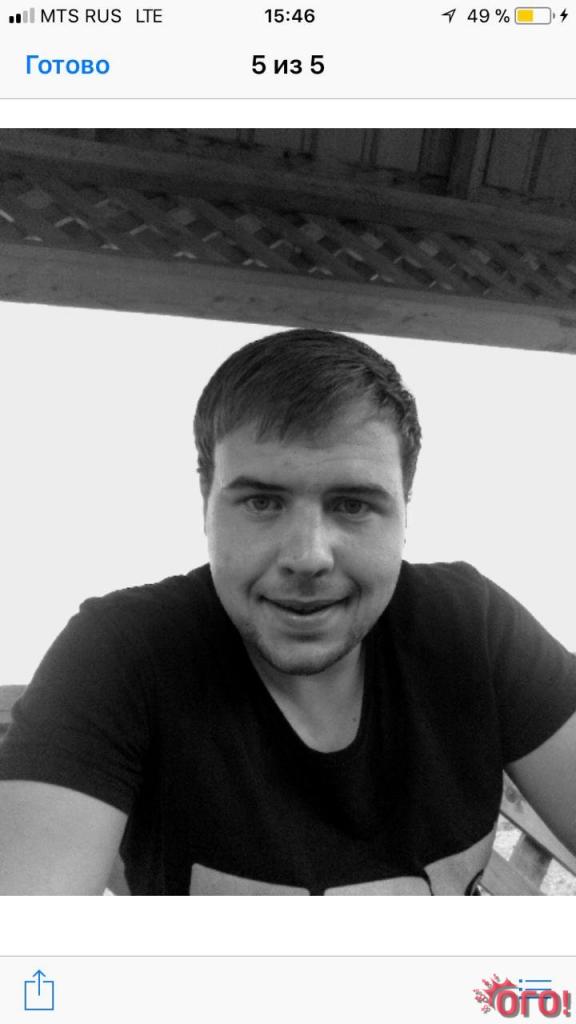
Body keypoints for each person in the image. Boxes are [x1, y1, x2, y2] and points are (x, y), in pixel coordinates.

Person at [0, 328, 575, 895]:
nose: (307, 557)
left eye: (352, 504)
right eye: (262, 502)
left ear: (405, 512)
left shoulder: (472, 625)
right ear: (206, 506)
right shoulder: (120, 653)